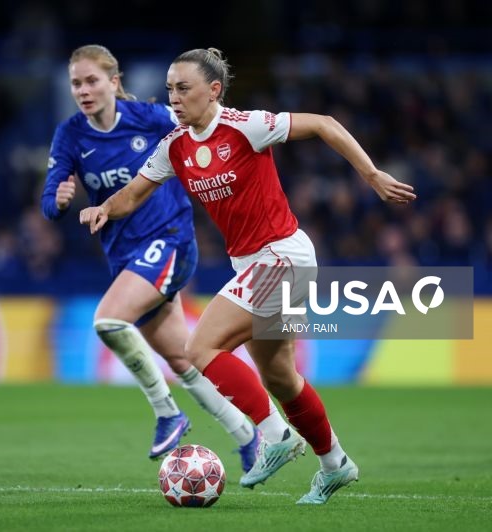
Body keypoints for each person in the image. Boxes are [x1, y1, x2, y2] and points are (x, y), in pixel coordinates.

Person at [80, 48, 416, 504]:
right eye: (170, 90)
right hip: (255, 264)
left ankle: (276, 435)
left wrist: (372, 174)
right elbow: (135, 193)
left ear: (213, 90)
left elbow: (323, 124)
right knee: (280, 377)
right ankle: (336, 463)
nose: (174, 99)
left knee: (199, 347)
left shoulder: (246, 125)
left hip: (280, 256)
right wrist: (103, 208)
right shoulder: (175, 145)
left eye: (184, 89)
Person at [42, 44, 294, 470]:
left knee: (108, 320)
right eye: (75, 83)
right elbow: (50, 201)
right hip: (125, 255)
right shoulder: (70, 135)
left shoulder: (154, 119)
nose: (83, 90)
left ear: (114, 82)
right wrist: (60, 201)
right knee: (183, 358)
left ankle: (167, 412)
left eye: (92, 81)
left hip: (170, 239)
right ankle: (248, 436)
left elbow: (202, 133)